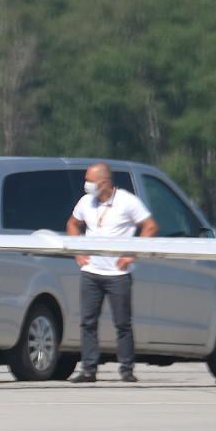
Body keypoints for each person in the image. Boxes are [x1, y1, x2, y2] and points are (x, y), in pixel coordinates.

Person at [66, 163, 158, 383]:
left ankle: (126, 369)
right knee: (88, 322)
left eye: (90, 180)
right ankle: (89, 369)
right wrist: (78, 251)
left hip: (118, 274)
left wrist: (131, 254)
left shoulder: (127, 201)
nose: (86, 185)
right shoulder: (85, 202)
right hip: (91, 271)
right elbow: (72, 223)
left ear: (104, 182)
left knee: (122, 323)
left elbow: (150, 226)